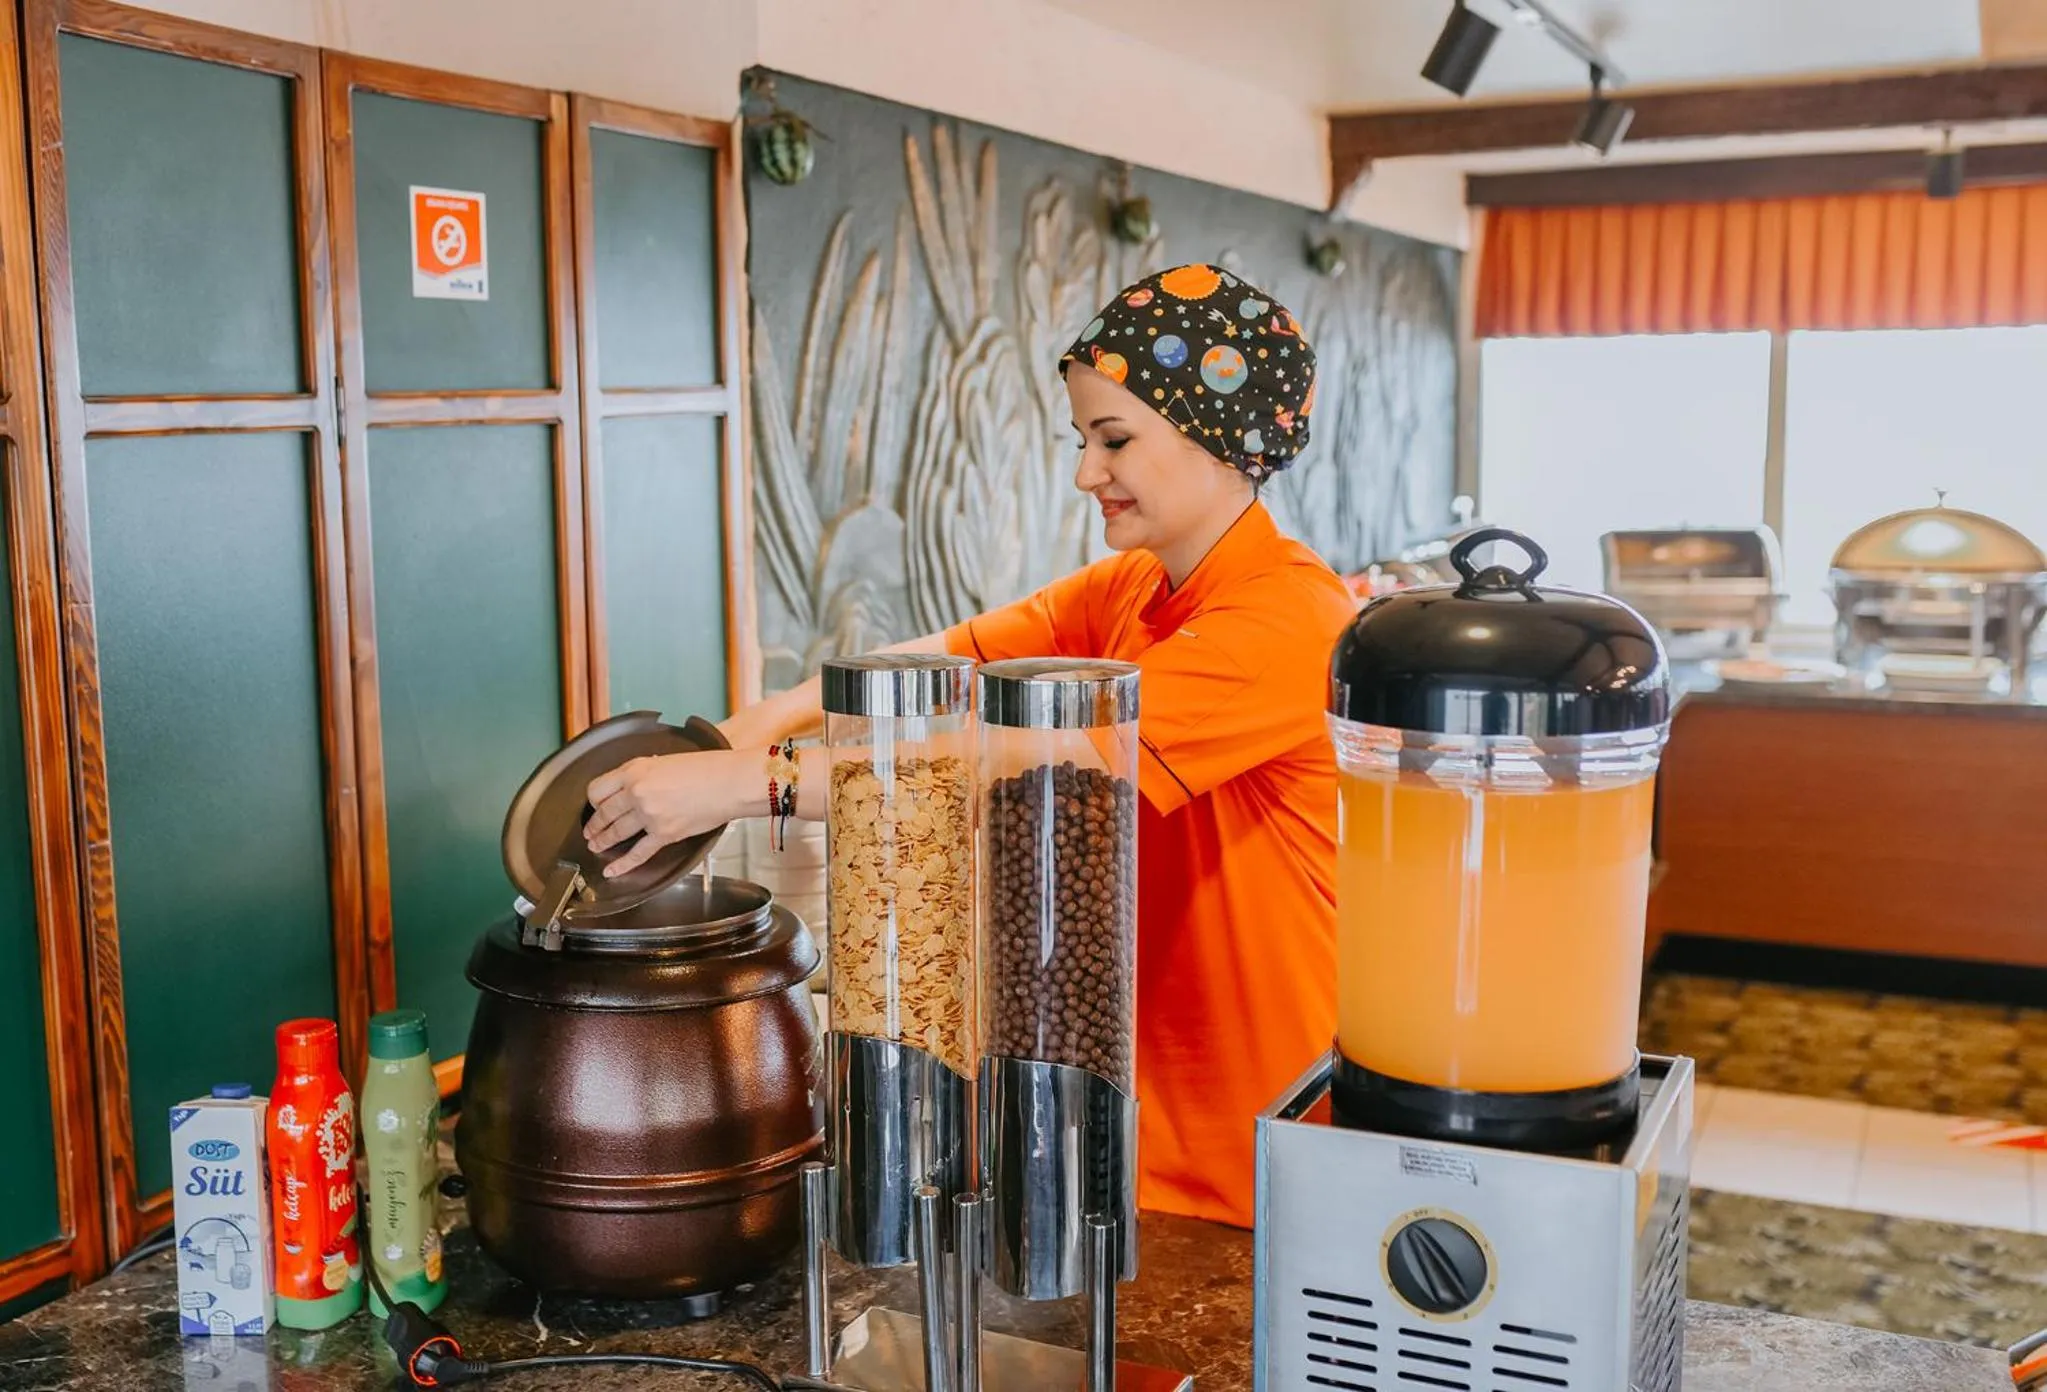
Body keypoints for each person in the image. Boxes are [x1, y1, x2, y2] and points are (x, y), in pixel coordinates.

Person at [585, 263, 1355, 1228]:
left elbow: (1020, 771)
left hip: (1249, 1144)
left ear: (1219, 435)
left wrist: (752, 783)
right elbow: (949, 659)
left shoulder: (1285, 619)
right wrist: (768, 717)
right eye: (1081, 440)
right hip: (1133, 1118)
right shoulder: (1131, 590)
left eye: (1114, 439)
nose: (1086, 474)